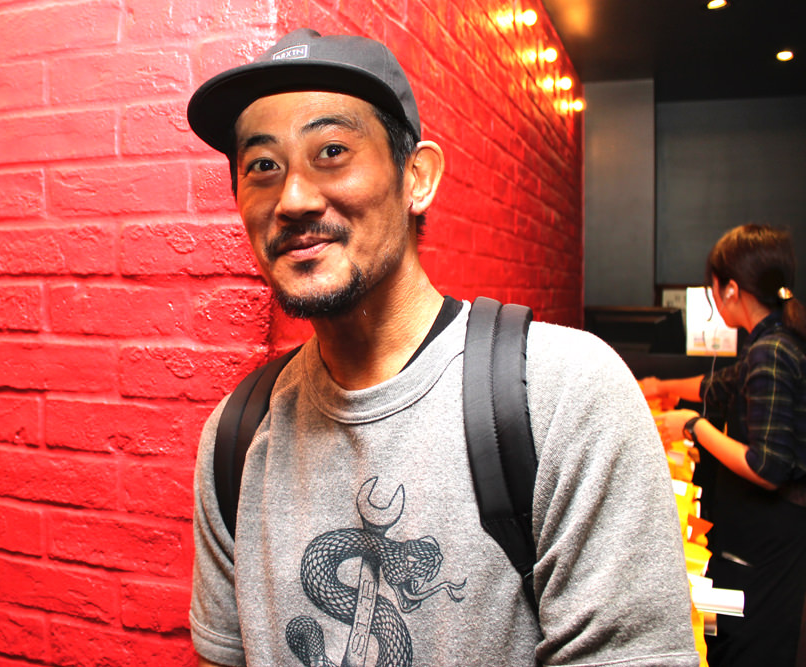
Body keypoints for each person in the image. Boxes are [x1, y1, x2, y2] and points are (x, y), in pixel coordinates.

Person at [186, 28, 699, 667]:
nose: (292, 199)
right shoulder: (236, 437)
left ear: (417, 178)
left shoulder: (564, 396)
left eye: (332, 151)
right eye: (263, 165)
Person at [641, 224, 806, 666]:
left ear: (730, 288)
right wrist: (662, 386)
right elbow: (723, 385)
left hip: (772, 535)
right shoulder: (771, 338)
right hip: (763, 531)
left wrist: (694, 426)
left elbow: (768, 468)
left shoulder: (772, 350)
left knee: (754, 645)